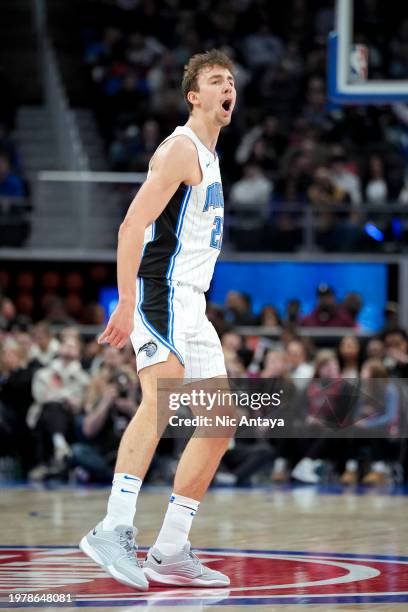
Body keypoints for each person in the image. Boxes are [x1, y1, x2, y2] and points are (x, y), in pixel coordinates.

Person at [80, 49, 236, 590]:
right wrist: (124, 301)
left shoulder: (212, 158)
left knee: (219, 425)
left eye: (231, 80)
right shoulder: (179, 149)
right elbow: (131, 226)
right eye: (217, 80)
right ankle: (113, 527)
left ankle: (170, 550)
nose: (227, 86)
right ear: (194, 96)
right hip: (159, 293)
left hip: (193, 302)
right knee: (162, 398)